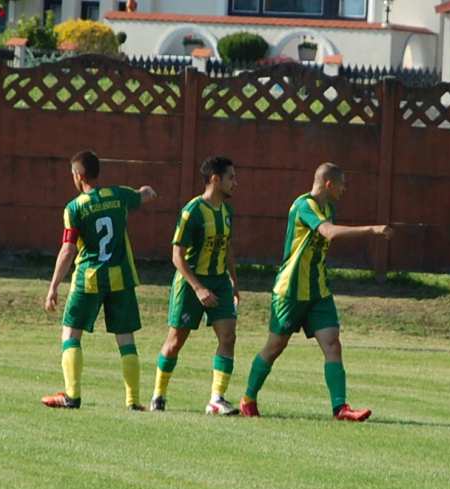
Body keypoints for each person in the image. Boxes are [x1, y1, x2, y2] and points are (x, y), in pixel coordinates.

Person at [239, 162, 393, 421]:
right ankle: (248, 398)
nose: (345, 189)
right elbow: (329, 233)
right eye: (342, 184)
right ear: (329, 184)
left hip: (318, 291)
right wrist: (372, 229)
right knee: (275, 345)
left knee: (333, 344)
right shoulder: (304, 205)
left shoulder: (329, 207)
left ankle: (340, 408)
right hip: (290, 290)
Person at [41, 150, 158, 410]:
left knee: (71, 333)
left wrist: (53, 288)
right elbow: (143, 196)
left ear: (79, 176)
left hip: (89, 278)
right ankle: (133, 401)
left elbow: (68, 249)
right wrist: (147, 192)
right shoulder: (118, 195)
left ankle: (72, 396)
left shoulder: (75, 207)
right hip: (122, 278)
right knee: (125, 338)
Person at [150, 156, 240, 415]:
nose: (236, 182)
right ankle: (159, 394)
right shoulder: (192, 211)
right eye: (231, 177)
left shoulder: (227, 211)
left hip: (220, 282)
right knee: (175, 341)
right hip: (191, 283)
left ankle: (216, 399)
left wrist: (234, 281)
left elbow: (228, 246)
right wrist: (199, 288)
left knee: (228, 336)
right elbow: (177, 256)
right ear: (215, 179)